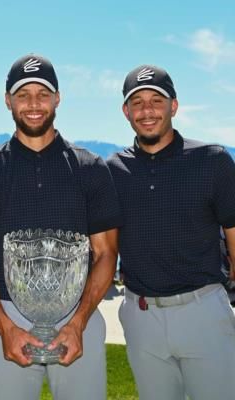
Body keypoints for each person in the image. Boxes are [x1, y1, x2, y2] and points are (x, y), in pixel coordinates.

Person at [0, 54, 123, 400]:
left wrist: (78, 323)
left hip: (81, 313)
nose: (33, 104)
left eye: (43, 94)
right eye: (23, 95)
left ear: (57, 99)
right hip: (8, 313)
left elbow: (106, 253)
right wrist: (4, 326)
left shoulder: (90, 168)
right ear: (7, 101)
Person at [107, 64, 235, 400]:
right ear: (126, 111)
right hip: (141, 315)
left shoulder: (213, 160)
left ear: (173, 106)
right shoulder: (112, 170)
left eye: (156, 101)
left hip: (203, 310)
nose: (147, 111)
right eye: (137, 103)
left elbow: (234, 231)